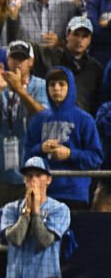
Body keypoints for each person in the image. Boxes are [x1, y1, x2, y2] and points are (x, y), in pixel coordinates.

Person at [0, 40, 49, 206]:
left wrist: (20, 90)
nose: (17, 62)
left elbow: (44, 118)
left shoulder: (41, 86)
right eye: (13, 58)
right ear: (7, 60)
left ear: (31, 62)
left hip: (33, 172)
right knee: (3, 222)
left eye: (22, 58)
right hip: (2, 172)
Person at [25, 67, 104, 210]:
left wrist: (70, 154)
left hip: (74, 194)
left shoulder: (85, 120)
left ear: (71, 87)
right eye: (52, 85)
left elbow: (96, 158)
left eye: (62, 84)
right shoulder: (37, 120)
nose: (56, 89)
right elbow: (26, 157)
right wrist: (41, 148)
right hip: (42, 193)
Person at [36, 16, 102, 116]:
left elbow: (97, 101)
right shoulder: (50, 58)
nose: (80, 40)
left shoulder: (95, 68)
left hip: (82, 124)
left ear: (89, 40)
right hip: (54, 119)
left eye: (84, 36)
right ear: (67, 35)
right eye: (76, 34)